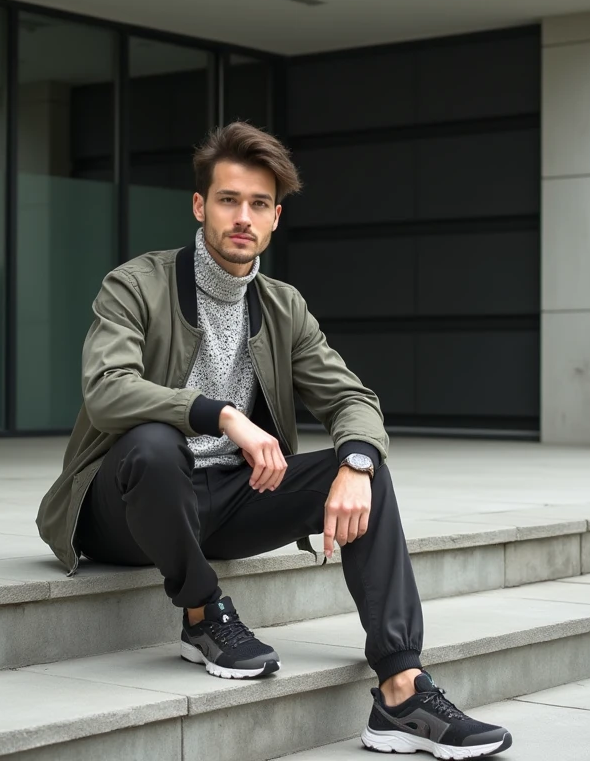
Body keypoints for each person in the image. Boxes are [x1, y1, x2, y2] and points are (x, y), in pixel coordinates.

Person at [37, 122, 512, 758]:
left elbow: (352, 399)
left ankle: (402, 689)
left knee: (365, 471)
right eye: (229, 200)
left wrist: (357, 463)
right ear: (200, 206)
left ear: (275, 218)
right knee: (154, 444)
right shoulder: (135, 285)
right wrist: (221, 414)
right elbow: (108, 390)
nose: (243, 217)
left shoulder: (284, 306)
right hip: (122, 506)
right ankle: (204, 615)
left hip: (228, 501)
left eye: (259, 204)